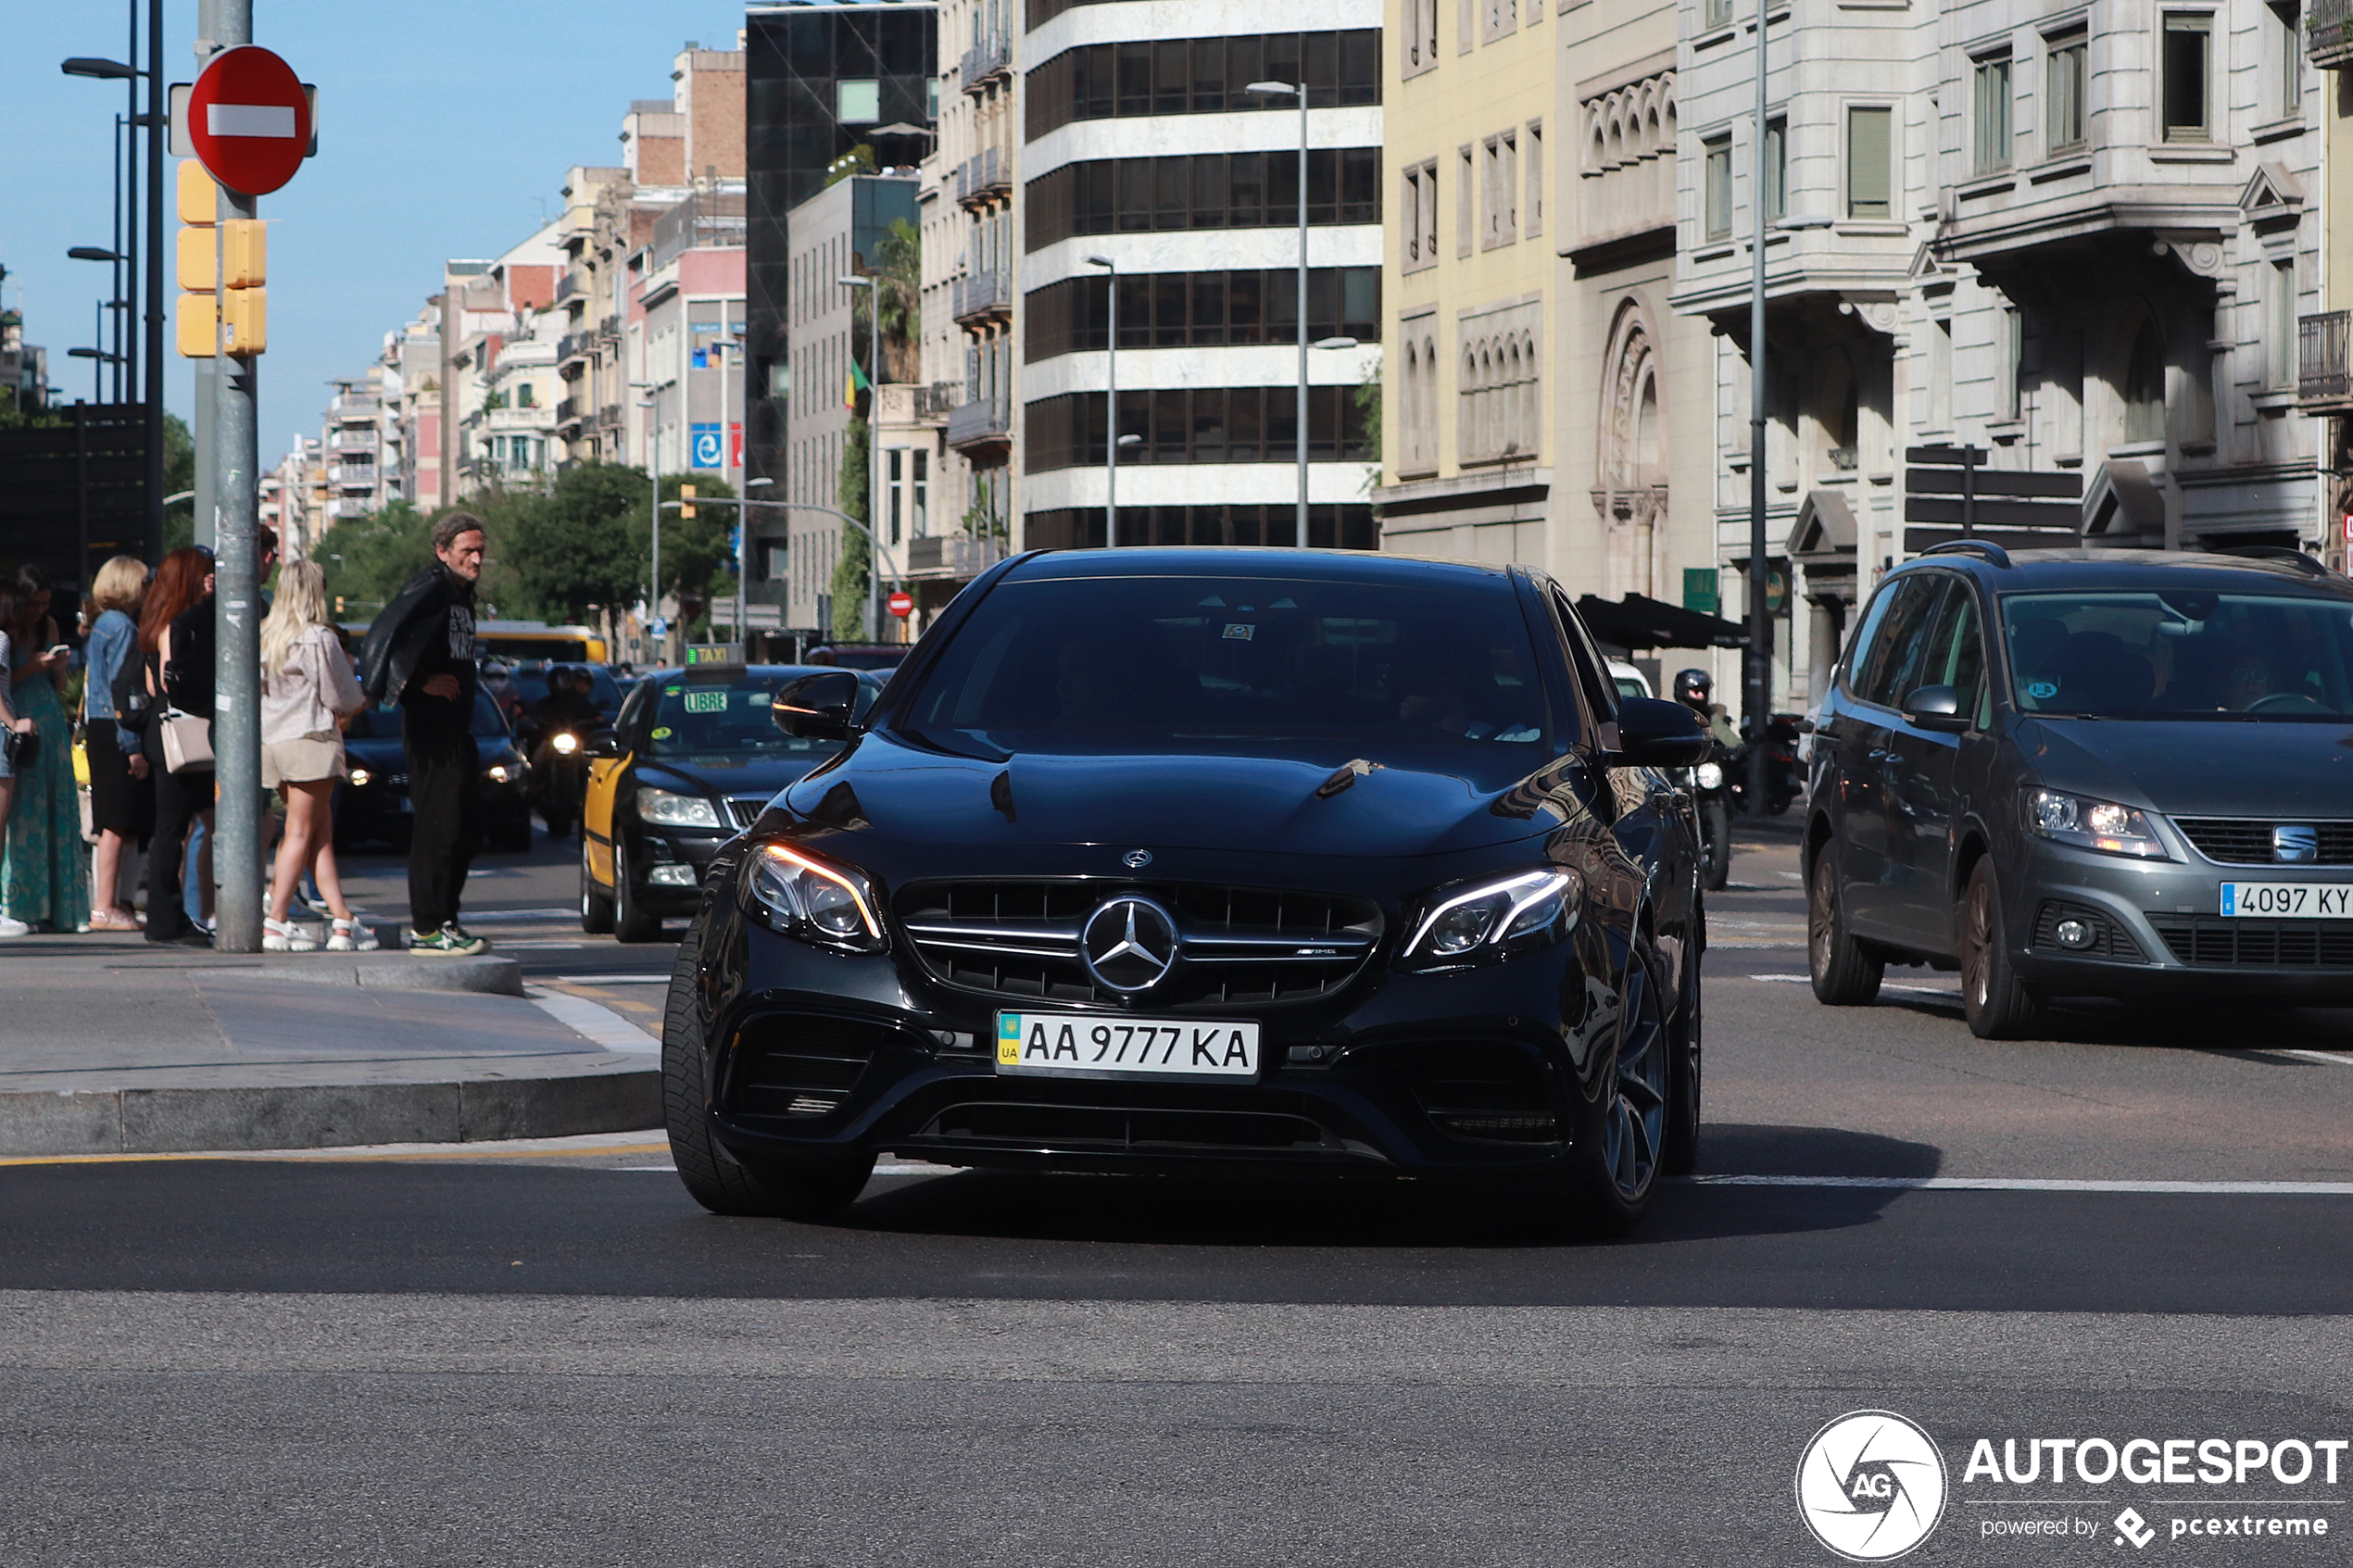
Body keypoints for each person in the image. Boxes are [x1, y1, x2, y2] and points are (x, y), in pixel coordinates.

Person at [359, 512, 488, 956]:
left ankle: (448, 920)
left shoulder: (459, 594)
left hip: (457, 729)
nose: (475, 559)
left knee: (466, 827)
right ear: (442, 551)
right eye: (467, 551)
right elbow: (383, 636)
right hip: (431, 730)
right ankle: (427, 927)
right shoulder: (431, 585)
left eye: (480, 551)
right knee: (438, 826)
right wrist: (419, 683)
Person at [258, 560, 373, 953]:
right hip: (310, 739)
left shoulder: (265, 636)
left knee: (317, 836)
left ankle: (343, 920)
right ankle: (276, 921)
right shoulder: (317, 638)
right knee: (301, 833)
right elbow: (344, 696)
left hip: (273, 742)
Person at [2, 565, 91, 934]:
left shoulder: (49, 626)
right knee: (24, 813)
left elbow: (57, 687)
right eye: (35, 603)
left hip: (48, 720)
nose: (40, 610)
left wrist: (58, 668)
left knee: (56, 807)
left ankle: (57, 906)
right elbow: (5, 679)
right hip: (17, 714)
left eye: (46, 603)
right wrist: (33, 665)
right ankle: (19, 903)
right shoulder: (7, 630)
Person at [140, 546, 216, 947]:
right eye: (204, 572)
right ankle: (167, 918)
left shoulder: (161, 623)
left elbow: (154, 686)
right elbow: (171, 684)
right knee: (173, 830)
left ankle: (176, 915)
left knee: (179, 828)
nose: (212, 578)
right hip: (179, 736)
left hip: (165, 732)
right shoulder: (179, 625)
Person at [81, 556, 154, 931]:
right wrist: (133, 746)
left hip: (100, 726)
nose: (148, 589)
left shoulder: (101, 625)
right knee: (116, 823)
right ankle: (105, 905)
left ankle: (110, 904)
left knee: (112, 820)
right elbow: (122, 689)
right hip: (116, 728)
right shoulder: (123, 626)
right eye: (143, 583)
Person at [1673, 668, 1742, 752]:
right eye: (1696, 691)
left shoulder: (1710, 715)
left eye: (1704, 691)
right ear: (1683, 690)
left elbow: (1724, 734)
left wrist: (1739, 748)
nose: (1701, 695)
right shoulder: (1674, 716)